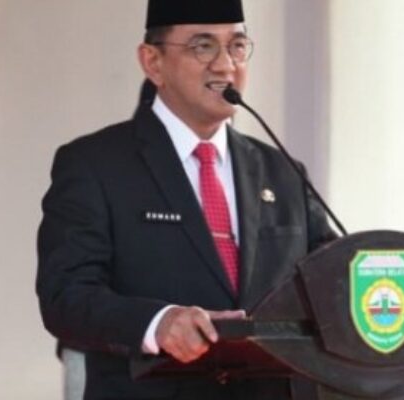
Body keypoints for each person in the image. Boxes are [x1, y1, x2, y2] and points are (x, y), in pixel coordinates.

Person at [36, 1, 336, 399]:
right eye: (203, 46)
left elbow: (332, 277)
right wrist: (158, 322)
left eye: (237, 46)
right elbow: (65, 295)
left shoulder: (282, 171)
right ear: (153, 62)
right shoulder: (95, 165)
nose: (225, 65)